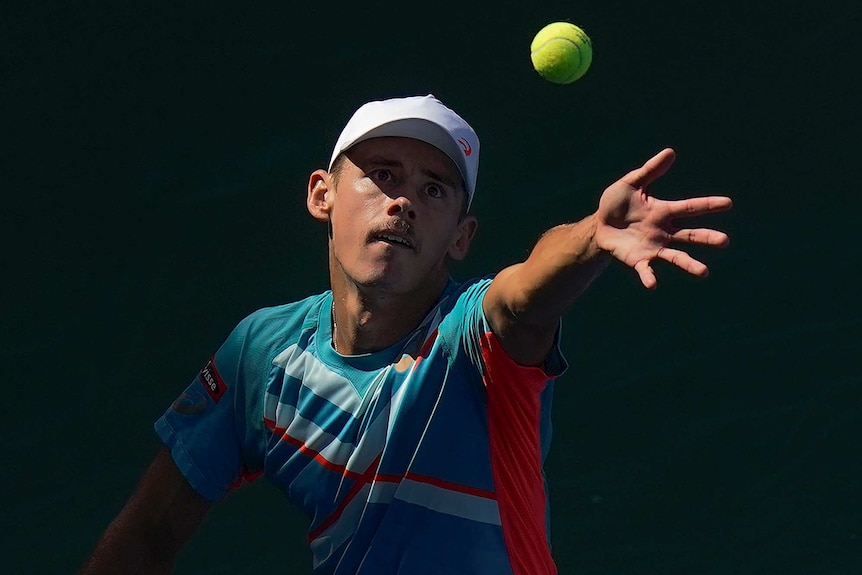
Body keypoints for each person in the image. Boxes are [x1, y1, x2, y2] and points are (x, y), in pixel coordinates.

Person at [79, 94, 732, 574]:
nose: (403, 201)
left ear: (460, 237)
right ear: (322, 194)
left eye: (434, 189)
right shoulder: (261, 353)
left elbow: (525, 295)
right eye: (383, 174)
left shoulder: (472, 339)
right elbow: (147, 534)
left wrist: (591, 236)